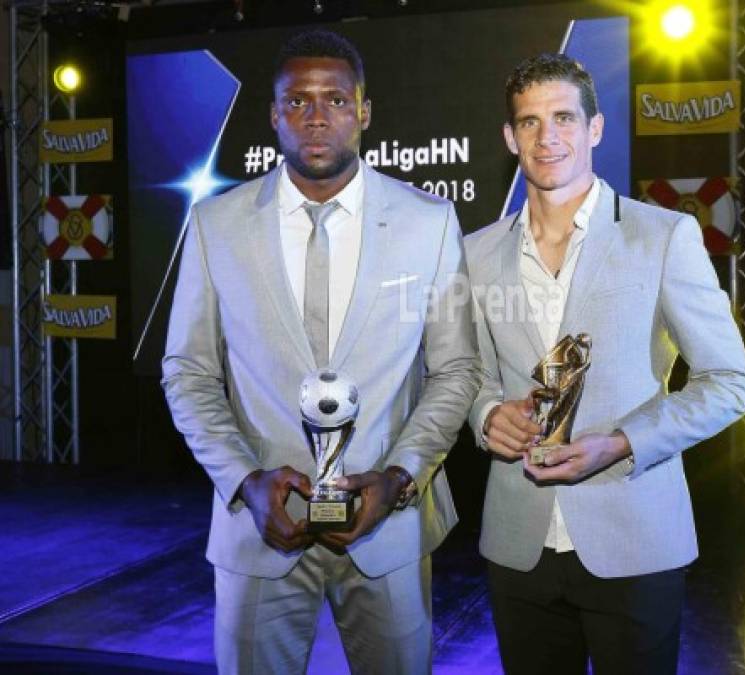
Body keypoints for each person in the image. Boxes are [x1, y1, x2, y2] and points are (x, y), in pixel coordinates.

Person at [162, 29, 478, 675]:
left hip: (387, 528)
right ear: (274, 115)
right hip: (258, 530)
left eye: (334, 99)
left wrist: (396, 480)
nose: (316, 116)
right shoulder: (215, 224)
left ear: (363, 111)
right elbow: (188, 372)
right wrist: (246, 483)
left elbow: (455, 370)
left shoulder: (429, 221)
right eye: (297, 101)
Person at [465, 53, 745, 675]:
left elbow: (730, 383)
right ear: (509, 137)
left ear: (595, 128)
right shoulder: (475, 253)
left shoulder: (663, 237)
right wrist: (487, 414)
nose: (548, 138)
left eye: (564, 117)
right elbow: (467, 373)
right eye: (530, 122)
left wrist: (622, 442)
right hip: (518, 541)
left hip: (636, 535)